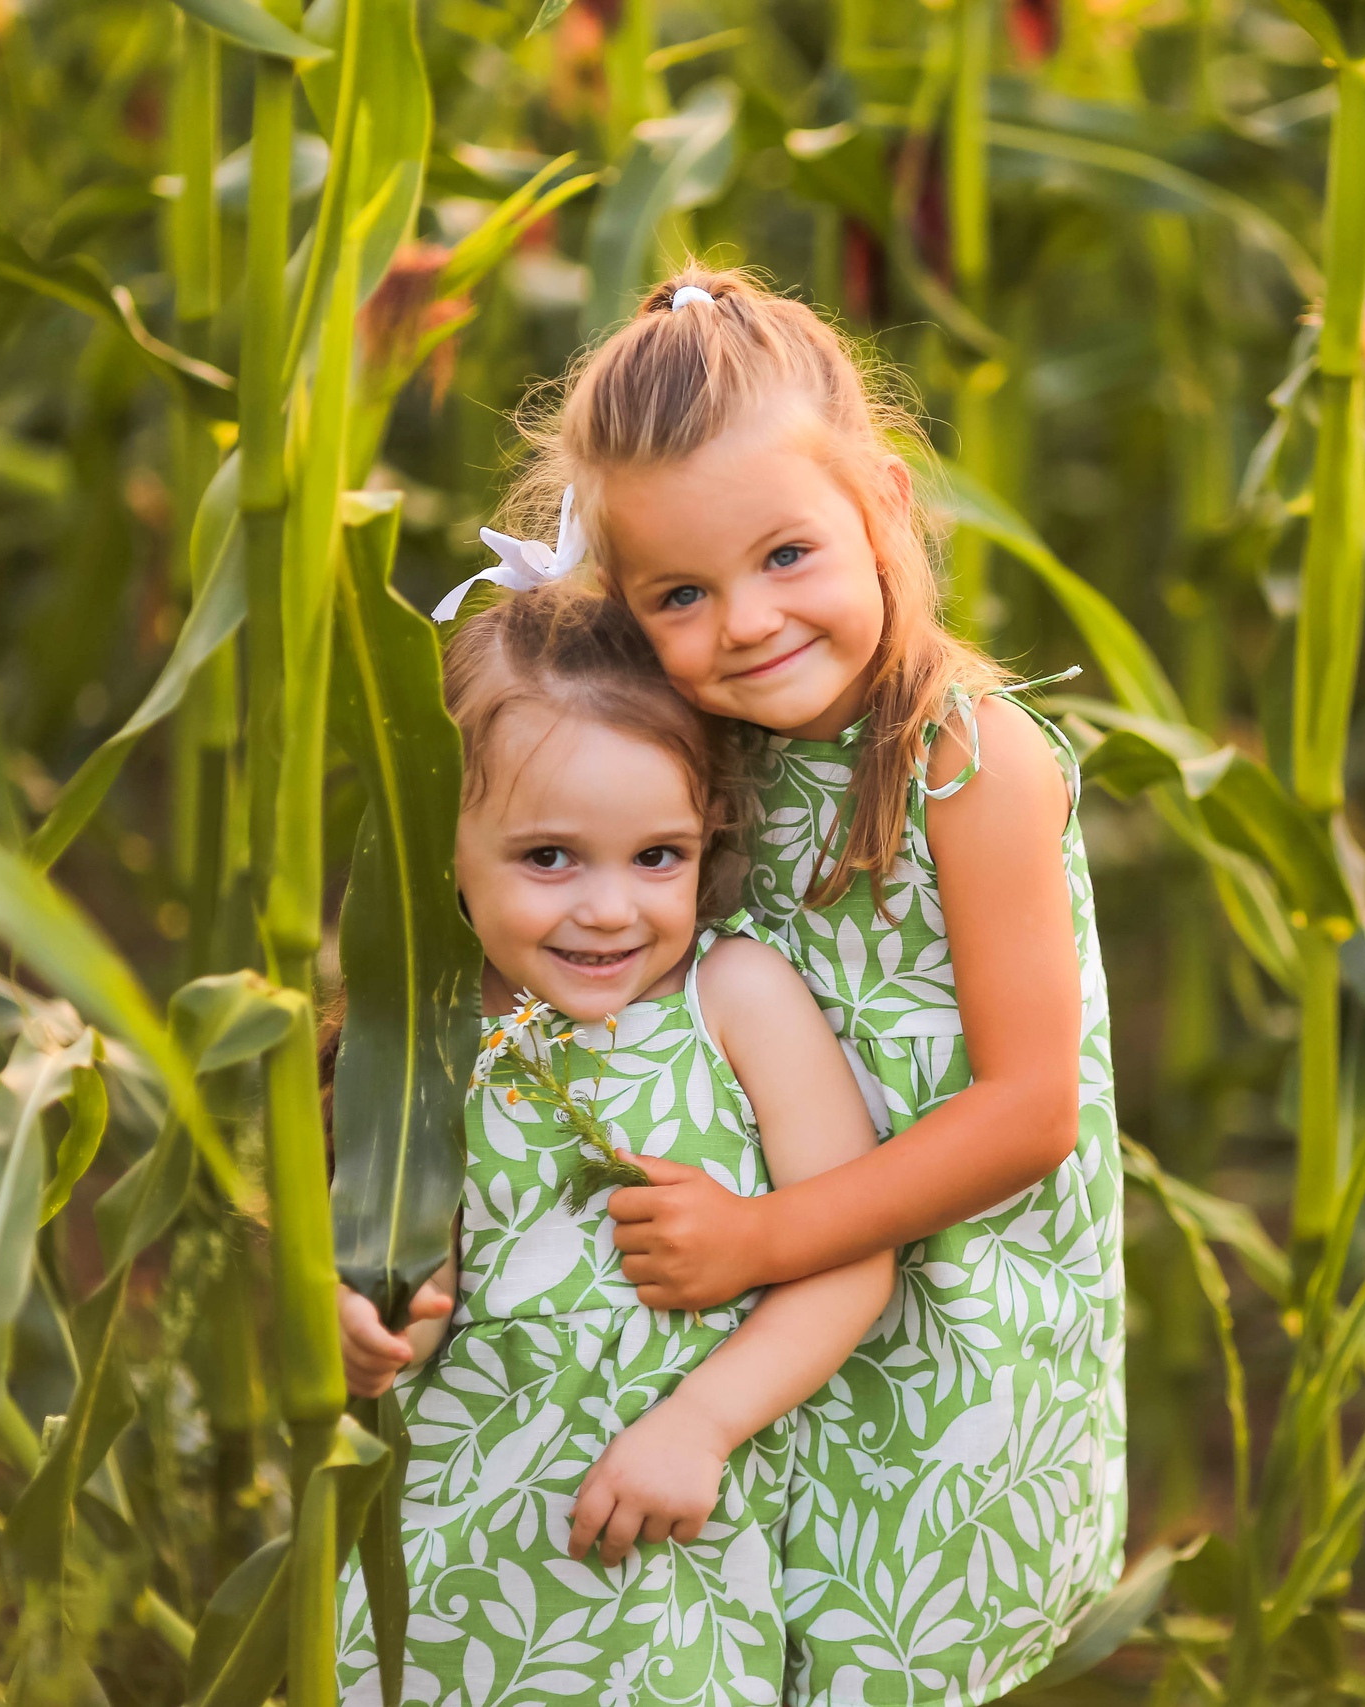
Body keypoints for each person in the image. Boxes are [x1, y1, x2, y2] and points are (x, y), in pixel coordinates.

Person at [472, 267, 1127, 1706]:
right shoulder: (698, 743)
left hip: (943, 1317)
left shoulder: (969, 760)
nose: (747, 622)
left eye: (785, 555)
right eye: (682, 594)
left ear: (883, 505)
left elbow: (1030, 1112)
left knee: (883, 1649)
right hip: (759, 1310)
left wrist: (764, 1236)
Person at [330, 586, 892, 1707]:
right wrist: (363, 1325)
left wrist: (701, 1425)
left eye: (657, 856)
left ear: (707, 834)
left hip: (667, 1555)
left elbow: (850, 1257)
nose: (608, 909)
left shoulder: (736, 999)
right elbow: (416, 1283)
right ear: (440, 840)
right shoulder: (420, 1032)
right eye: (549, 857)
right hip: (449, 1555)